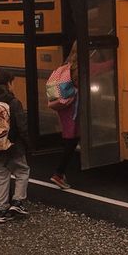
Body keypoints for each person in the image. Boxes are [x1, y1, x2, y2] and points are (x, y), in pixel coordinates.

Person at [0, 69, 31, 223]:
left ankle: (1, 210)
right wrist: (28, 144)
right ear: (8, 84)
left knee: (1, 176)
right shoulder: (13, 102)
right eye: (13, 83)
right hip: (14, 146)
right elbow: (22, 127)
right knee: (22, 171)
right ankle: (18, 201)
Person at [50, 46, 79, 190]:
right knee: (71, 140)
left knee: (69, 138)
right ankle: (59, 173)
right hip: (73, 108)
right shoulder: (80, 68)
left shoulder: (65, 66)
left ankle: (60, 173)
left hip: (64, 107)